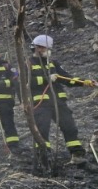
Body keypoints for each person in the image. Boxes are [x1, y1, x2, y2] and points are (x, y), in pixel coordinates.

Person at [28, 34, 95, 164]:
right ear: (33, 48)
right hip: (40, 103)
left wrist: (85, 82)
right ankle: (43, 157)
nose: (40, 50)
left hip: (58, 102)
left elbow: (67, 79)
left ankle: (76, 154)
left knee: (69, 127)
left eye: (43, 47)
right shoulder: (27, 63)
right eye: (38, 47)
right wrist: (47, 78)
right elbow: (25, 82)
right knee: (42, 129)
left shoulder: (53, 63)